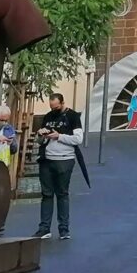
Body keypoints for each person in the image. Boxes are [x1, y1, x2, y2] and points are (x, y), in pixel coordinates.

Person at [35, 92, 84, 239]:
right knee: (46, 194)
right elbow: (40, 142)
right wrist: (41, 135)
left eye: (56, 107)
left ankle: (64, 229)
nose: (53, 110)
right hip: (47, 159)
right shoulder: (48, 117)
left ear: (62, 103)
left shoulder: (73, 117)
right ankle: (44, 228)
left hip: (64, 159)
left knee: (62, 193)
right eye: (51, 107)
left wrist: (59, 136)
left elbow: (78, 139)